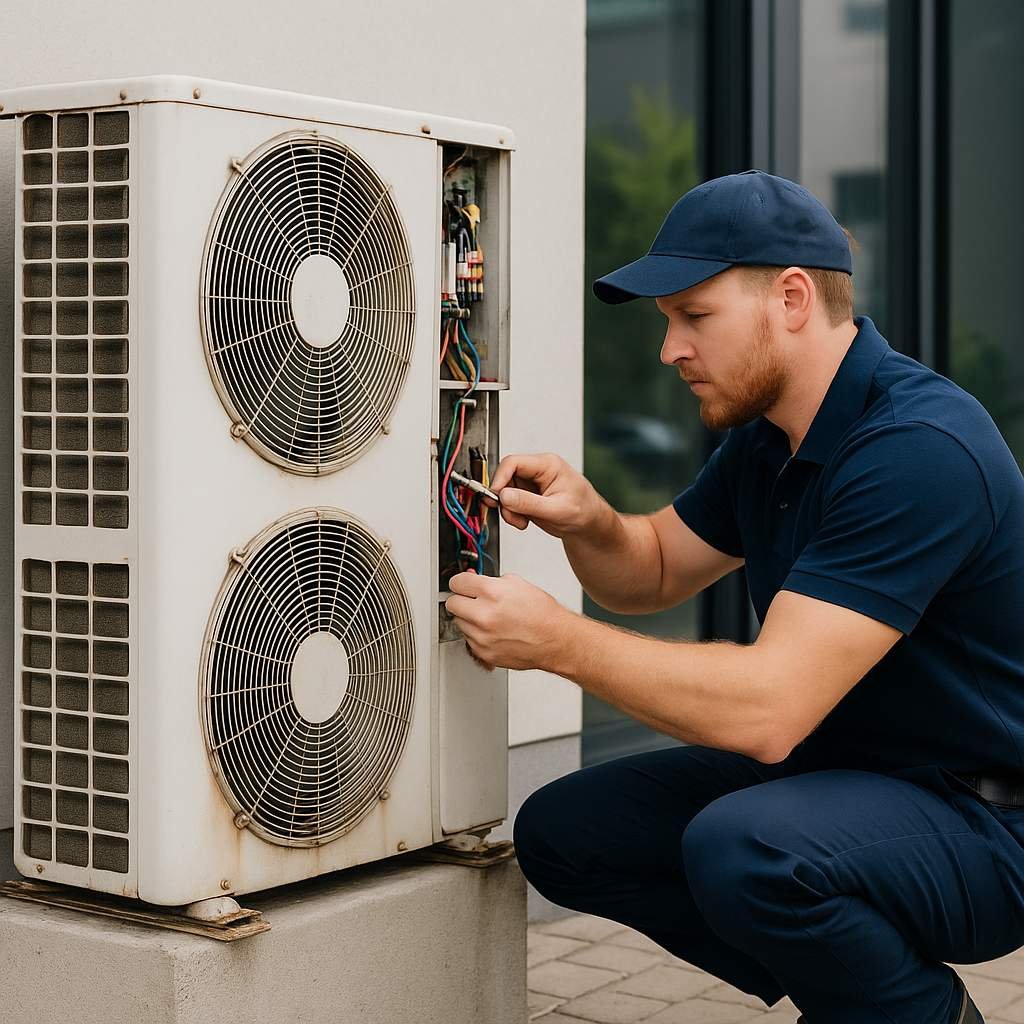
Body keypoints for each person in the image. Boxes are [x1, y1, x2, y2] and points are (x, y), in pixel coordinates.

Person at [442, 170, 1024, 1023]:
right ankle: (856, 991)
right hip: (845, 773)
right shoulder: (774, 437)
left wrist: (557, 642)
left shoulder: (917, 448)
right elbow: (652, 572)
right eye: (667, 322)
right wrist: (589, 521)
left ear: (791, 298)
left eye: (694, 317)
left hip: (982, 821)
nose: (670, 348)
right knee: (568, 831)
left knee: (745, 850)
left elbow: (769, 712)